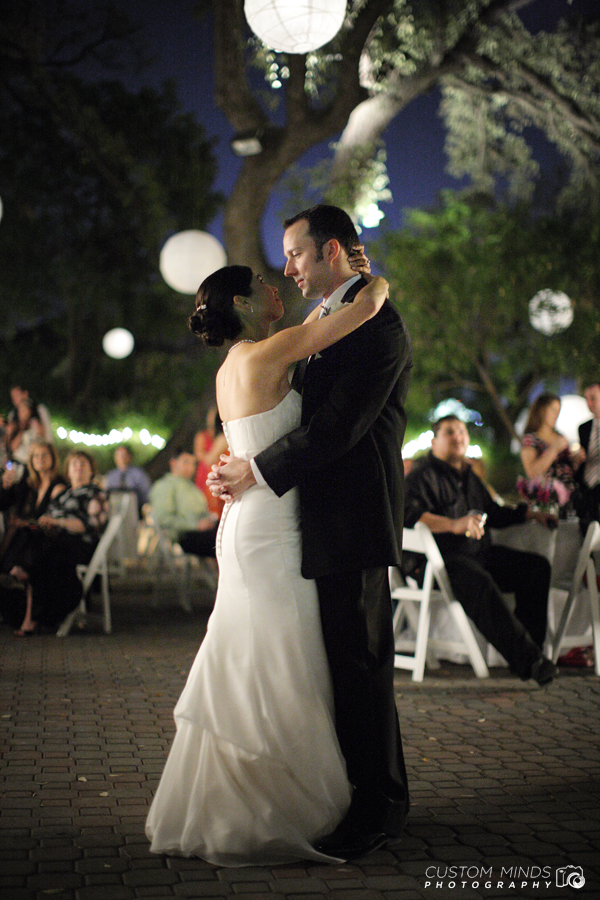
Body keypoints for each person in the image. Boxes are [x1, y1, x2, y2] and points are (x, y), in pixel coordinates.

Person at [146, 241, 397, 864]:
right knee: (283, 655)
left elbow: (315, 326)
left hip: (244, 519)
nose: (277, 283)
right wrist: (379, 283)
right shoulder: (270, 350)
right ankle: (287, 801)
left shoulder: (232, 364)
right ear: (242, 302)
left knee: (252, 649)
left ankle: (242, 795)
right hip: (271, 525)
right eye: (262, 281)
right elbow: (354, 317)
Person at [205, 204, 413, 860]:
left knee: (361, 667)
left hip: (351, 519)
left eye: (295, 253)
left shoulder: (379, 327)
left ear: (333, 251)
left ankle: (377, 809)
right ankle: (363, 795)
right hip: (307, 519)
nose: (287, 267)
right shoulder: (329, 319)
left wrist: (255, 468)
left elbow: (338, 428)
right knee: (341, 669)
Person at [404, 415, 557, 685]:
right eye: (449, 432)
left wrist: (531, 515)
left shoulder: (470, 476)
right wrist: (453, 524)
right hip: (442, 561)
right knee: (480, 581)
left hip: (479, 553)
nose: (458, 437)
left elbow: (493, 513)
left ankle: (531, 651)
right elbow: (409, 515)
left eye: (462, 432)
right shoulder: (420, 475)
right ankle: (531, 662)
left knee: (536, 568)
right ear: (434, 440)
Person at [0, 450, 107, 635]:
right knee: (27, 534)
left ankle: (22, 571)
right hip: (52, 541)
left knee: (40, 555)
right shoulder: (63, 495)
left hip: (77, 543)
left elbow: (90, 525)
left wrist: (59, 522)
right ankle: (18, 570)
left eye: (83, 464)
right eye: (74, 464)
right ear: (68, 471)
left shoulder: (94, 493)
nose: (78, 468)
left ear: (91, 471)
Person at [0, 441, 66, 574]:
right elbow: (5, 504)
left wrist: (23, 524)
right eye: (36, 456)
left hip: (45, 537)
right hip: (26, 535)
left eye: (44, 455)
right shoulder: (31, 485)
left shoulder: (58, 486)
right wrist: (6, 487)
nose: (40, 459)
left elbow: (50, 526)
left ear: (53, 459)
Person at [149, 449, 218, 558]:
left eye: (193, 463)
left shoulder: (192, 487)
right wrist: (195, 525)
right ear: (173, 463)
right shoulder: (165, 486)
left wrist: (210, 520)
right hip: (185, 535)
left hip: (203, 531)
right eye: (185, 462)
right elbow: (164, 519)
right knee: (224, 538)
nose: (190, 467)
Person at [519, 393, 583, 509]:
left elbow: (568, 468)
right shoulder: (531, 440)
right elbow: (533, 472)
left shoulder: (560, 436)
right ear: (542, 410)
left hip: (571, 499)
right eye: (553, 410)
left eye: (558, 411)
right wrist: (554, 449)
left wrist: (577, 460)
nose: (556, 415)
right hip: (547, 501)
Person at [575, 381, 600, 535]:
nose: (589, 403)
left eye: (593, 398)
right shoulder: (584, 428)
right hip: (587, 489)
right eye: (586, 399)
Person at [193, 407, 228, 517]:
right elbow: (200, 455)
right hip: (207, 469)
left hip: (216, 471)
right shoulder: (203, 435)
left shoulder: (222, 438)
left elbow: (210, 459)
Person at [104, 444, 152, 514]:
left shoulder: (139, 475)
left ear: (130, 456)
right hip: (115, 511)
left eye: (124, 455)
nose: (122, 458)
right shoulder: (110, 476)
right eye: (119, 455)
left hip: (135, 511)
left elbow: (147, 494)